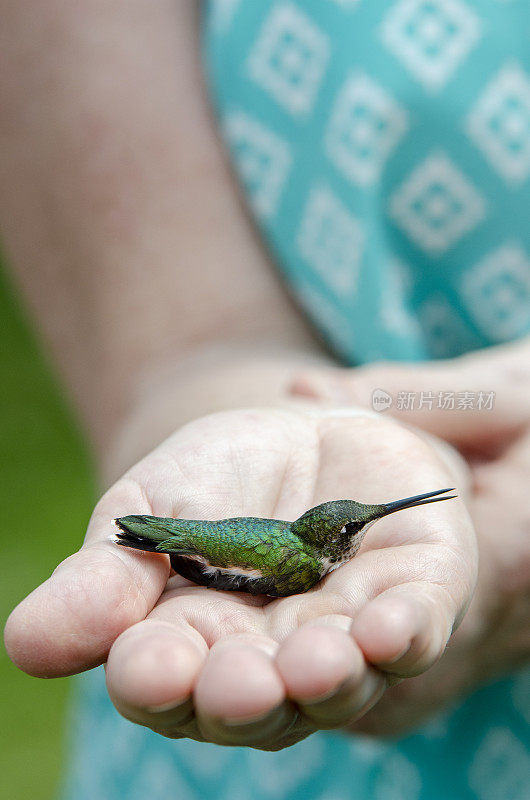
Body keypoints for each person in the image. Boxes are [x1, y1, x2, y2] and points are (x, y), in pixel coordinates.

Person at [2, 1, 529, 798]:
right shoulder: (300, 560)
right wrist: (197, 373)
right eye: (356, 527)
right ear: (332, 542)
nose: (359, 532)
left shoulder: (308, 546)